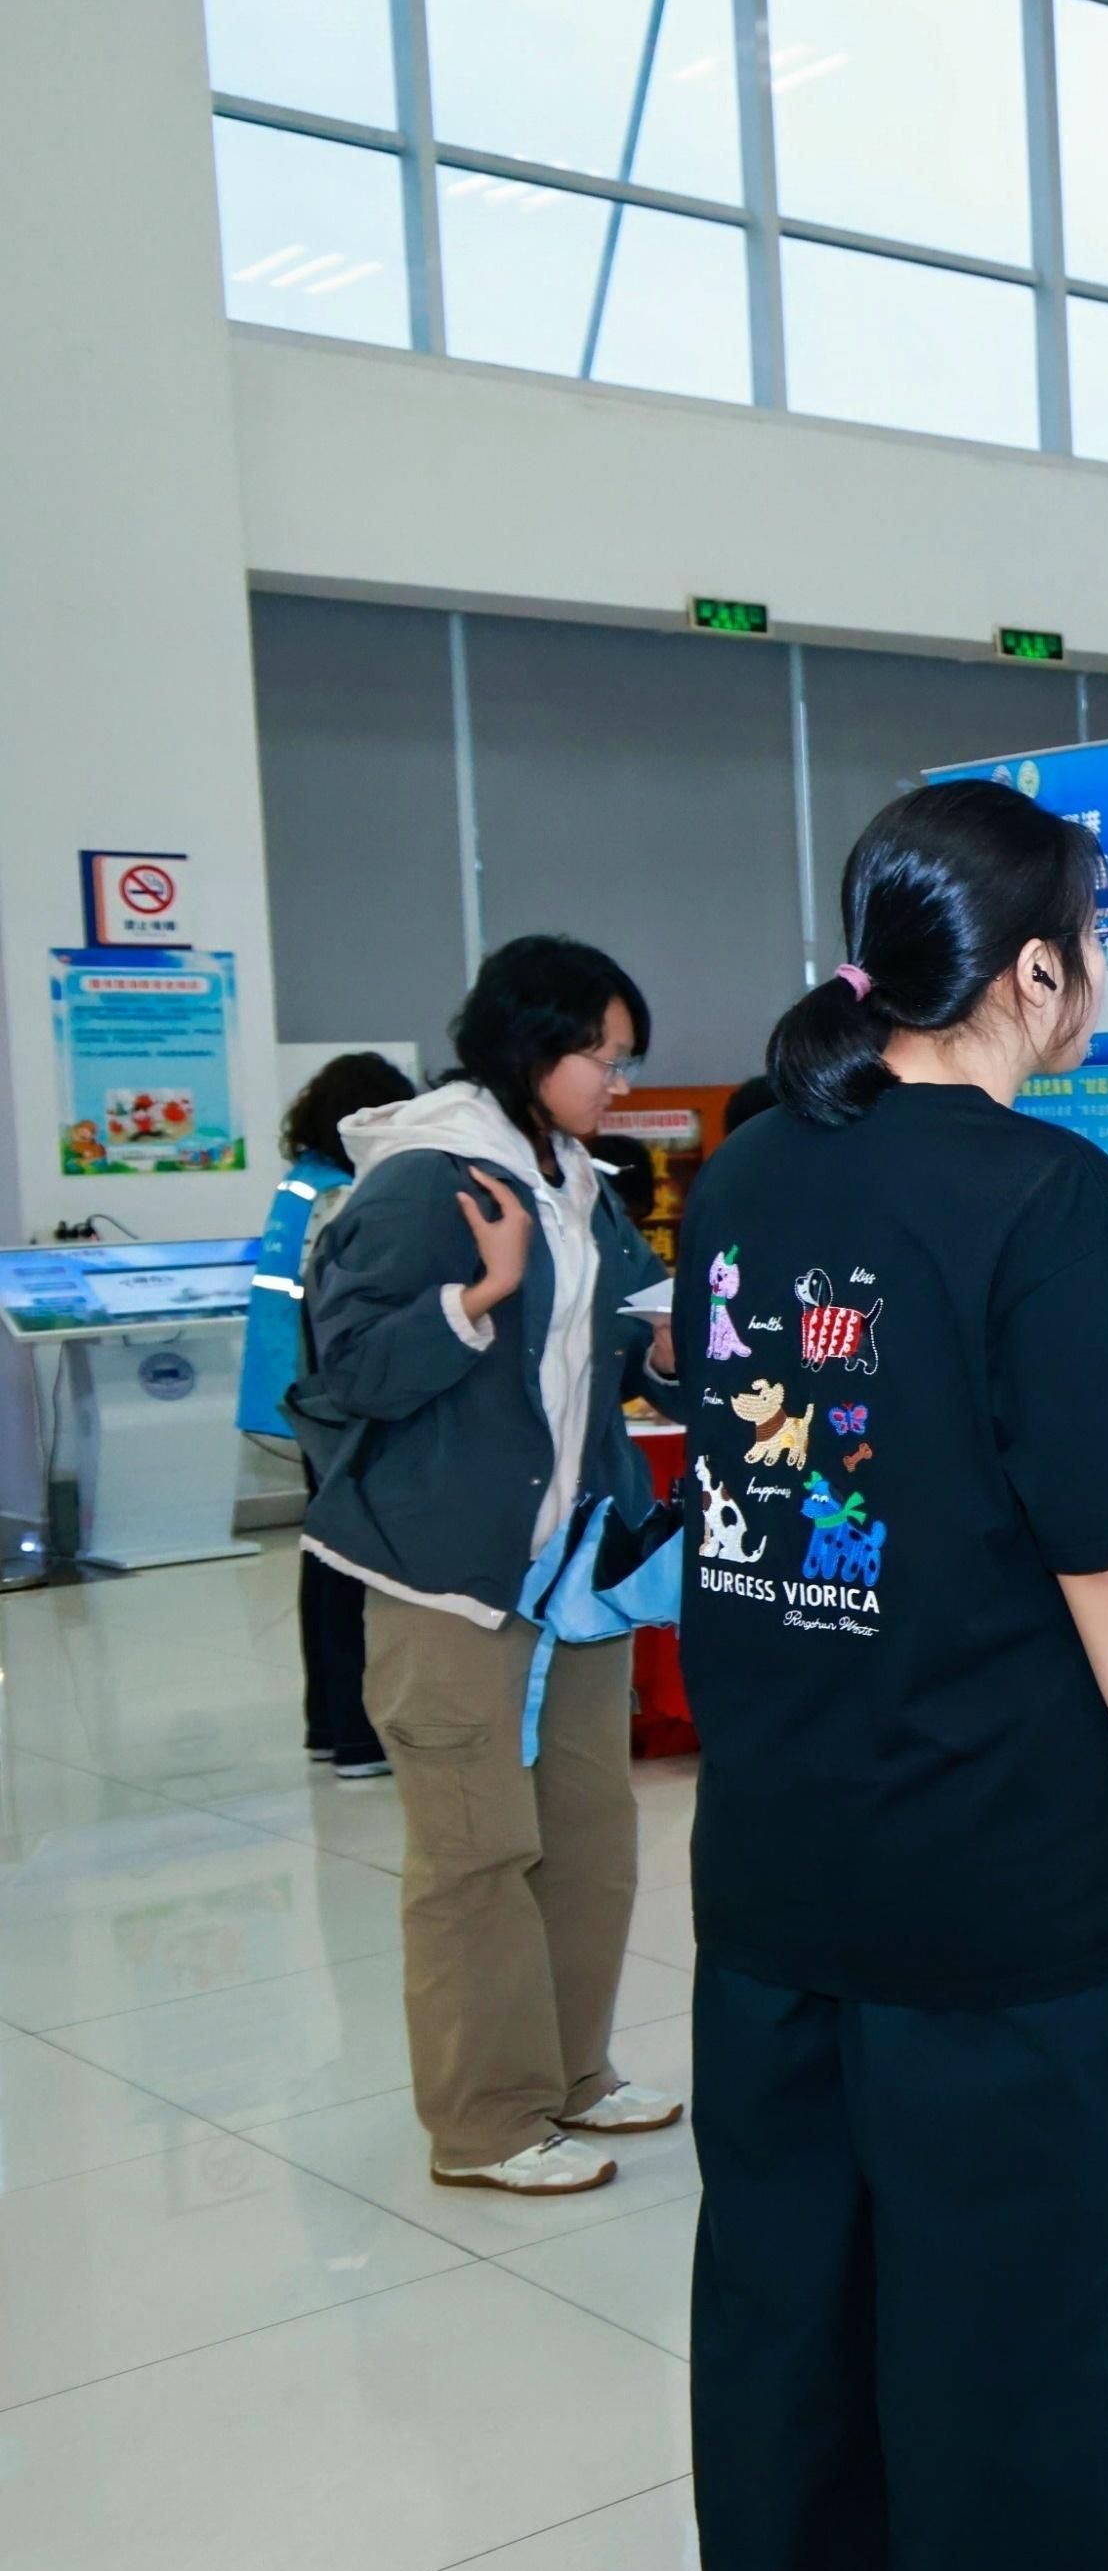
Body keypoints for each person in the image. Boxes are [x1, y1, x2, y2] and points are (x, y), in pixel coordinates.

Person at [677, 779, 1108, 2571]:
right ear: (1038, 972)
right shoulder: (1047, 1198)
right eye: (1099, 937)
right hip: (1004, 1896)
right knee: (1011, 2360)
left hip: (777, 1875)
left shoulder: (750, 1171)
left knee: (792, 2334)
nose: (1104, 972)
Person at [293, 939, 686, 2197]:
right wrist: (481, 1295)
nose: (619, 1082)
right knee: (475, 1851)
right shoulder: (428, 1179)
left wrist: (667, 1347)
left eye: (625, 1059)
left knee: (588, 1834)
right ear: (531, 1047)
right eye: (602, 1057)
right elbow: (347, 1370)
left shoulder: (578, 1178)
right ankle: (484, 2121)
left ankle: (571, 2073)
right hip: (450, 1570)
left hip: (573, 1570)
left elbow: (621, 1347)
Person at [242, 1048, 417, 1778]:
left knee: (323, 1557)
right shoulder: (346, 1194)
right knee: (352, 1562)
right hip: (333, 1398)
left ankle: (327, 1724)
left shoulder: (302, 1183)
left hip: (293, 1387)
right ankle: (358, 1735)